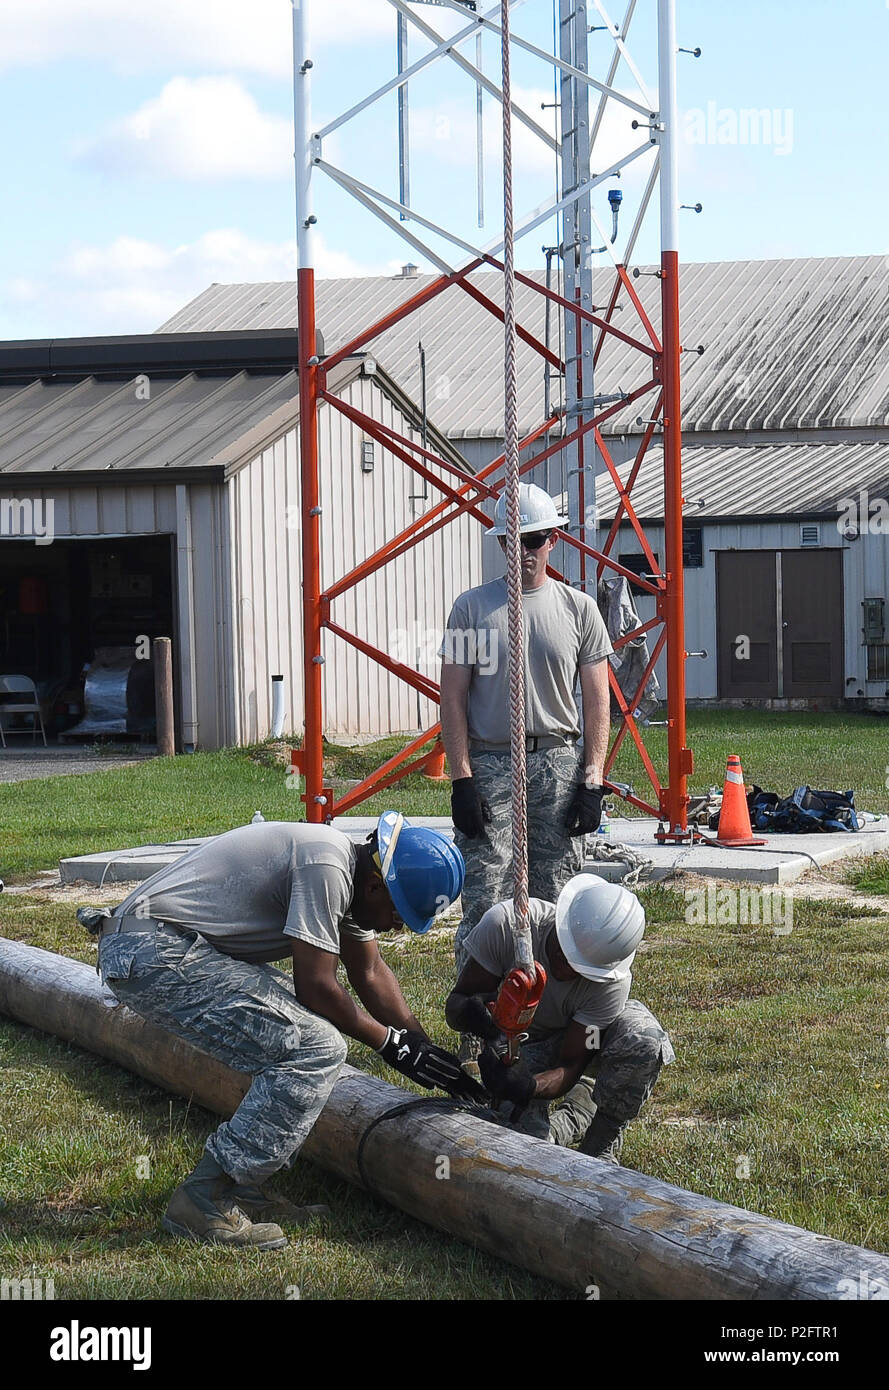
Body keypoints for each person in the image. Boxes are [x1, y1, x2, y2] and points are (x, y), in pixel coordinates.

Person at [91, 811, 479, 1249]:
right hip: (150, 951)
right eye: (398, 914)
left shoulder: (350, 873)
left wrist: (420, 1047)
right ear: (376, 887)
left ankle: (243, 1189)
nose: (396, 926)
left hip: (168, 946)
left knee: (307, 1034)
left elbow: (368, 972)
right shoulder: (326, 866)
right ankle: (206, 1196)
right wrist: (389, 1044)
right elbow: (316, 987)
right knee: (315, 1045)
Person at [439, 482, 614, 1056]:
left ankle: (548, 1028)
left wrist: (591, 780)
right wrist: (462, 777)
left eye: (535, 541)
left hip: (556, 761)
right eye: (513, 542)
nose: (524, 552)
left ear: (553, 541)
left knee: (558, 901)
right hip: (491, 761)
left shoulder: (578, 610)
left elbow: (596, 703)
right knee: (487, 900)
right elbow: (454, 698)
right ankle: (477, 1030)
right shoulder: (472, 608)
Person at [444, 876, 674, 1161]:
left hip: (584, 1042)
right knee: (523, 1151)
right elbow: (455, 1005)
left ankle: (601, 1142)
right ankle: (572, 1119)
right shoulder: (506, 926)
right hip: (524, 1044)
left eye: (581, 968)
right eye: (563, 954)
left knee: (643, 1040)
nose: (565, 969)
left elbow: (571, 1063)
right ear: (561, 924)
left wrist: (530, 1086)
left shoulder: (612, 982)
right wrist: (473, 1016)